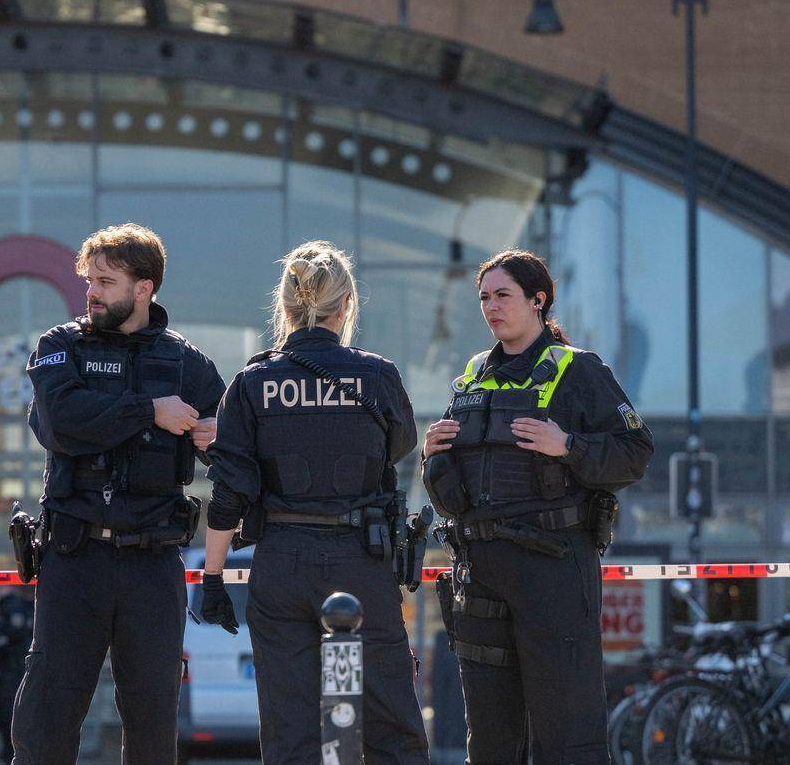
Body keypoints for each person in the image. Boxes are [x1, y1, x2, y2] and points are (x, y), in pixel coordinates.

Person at [193, 240, 427, 765]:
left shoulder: (254, 381)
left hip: (283, 562)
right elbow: (401, 444)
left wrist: (211, 580)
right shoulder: (377, 375)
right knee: (390, 724)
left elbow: (230, 492)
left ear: (286, 306)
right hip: (362, 560)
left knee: (290, 730)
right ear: (345, 306)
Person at [422, 249, 653, 765]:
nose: (491, 307)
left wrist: (567, 445)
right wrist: (432, 454)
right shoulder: (473, 377)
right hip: (480, 572)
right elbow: (449, 494)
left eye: (503, 295)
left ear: (538, 300)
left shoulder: (580, 371)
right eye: (484, 297)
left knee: (566, 731)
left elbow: (635, 453)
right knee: (490, 738)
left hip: (553, 570)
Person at [10, 223, 225, 765]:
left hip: (153, 564)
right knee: (45, 724)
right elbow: (60, 423)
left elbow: (233, 455)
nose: (92, 292)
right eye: (89, 280)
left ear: (144, 288)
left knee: (153, 728)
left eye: (105, 281)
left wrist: (216, 438)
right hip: (74, 557)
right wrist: (148, 411)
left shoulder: (187, 364)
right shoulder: (61, 346)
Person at [0, 588, 36, 763]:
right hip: (12, 679)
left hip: (20, 678)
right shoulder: (9, 611)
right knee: (12, 734)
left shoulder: (25, 611)